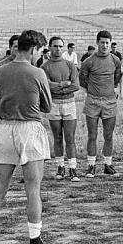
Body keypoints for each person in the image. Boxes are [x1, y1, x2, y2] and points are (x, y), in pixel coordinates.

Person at [0, 30, 55, 244]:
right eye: (39, 50)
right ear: (33, 49)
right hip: (29, 128)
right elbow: (47, 106)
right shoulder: (37, 72)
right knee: (33, 187)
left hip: (5, 129)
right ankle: (35, 240)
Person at [79, 30, 122, 178]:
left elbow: (117, 76)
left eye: (107, 43)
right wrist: (92, 91)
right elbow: (82, 79)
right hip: (92, 101)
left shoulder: (115, 60)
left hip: (110, 101)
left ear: (110, 44)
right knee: (92, 135)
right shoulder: (88, 61)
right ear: (97, 43)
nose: (104, 45)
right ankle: (91, 165)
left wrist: (113, 89)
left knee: (108, 135)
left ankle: (108, 165)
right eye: (102, 42)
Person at [41, 36, 80, 182]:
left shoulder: (70, 65)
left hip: (69, 104)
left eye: (60, 46)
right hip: (54, 105)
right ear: (50, 48)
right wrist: (63, 85)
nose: (58, 49)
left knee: (70, 137)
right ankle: (60, 167)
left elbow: (76, 85)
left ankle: (73, 168)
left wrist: (57, 87)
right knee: (57, 137)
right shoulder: (45, 67)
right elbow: (46, 85)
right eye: (55, 46)